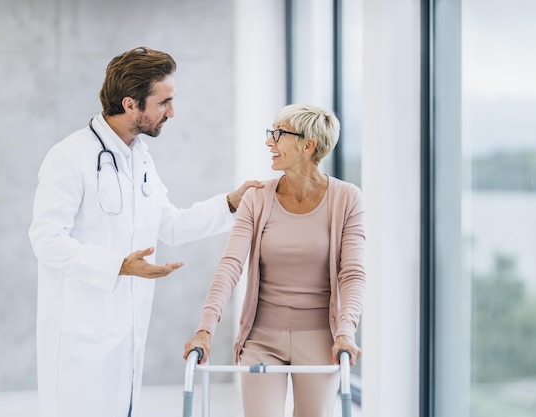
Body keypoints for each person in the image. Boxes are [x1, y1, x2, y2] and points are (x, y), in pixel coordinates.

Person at [28, 46, 262, 417]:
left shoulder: (140, 157)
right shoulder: (70, 156)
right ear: (130, 104)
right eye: (164, 102)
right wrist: (118, 265)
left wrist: (231, 203)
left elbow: (168, 224)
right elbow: (46, 239)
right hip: (81, 337)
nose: (172, 112)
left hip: (126, 336)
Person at [183, 104, 365, 417]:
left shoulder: (347, 198)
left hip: (321, 339)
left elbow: (352, 274)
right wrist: (205, 329)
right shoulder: (257, 197)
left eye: (278, 134)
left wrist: (346, 332)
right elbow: (230, 266)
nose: (270, 142)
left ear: (308, 145)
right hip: (261, 338)